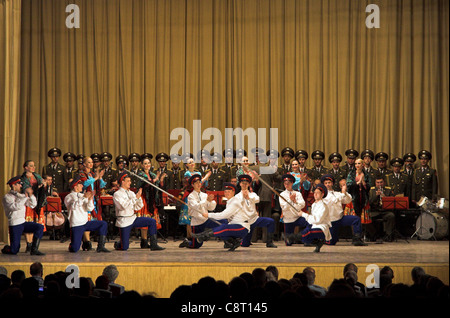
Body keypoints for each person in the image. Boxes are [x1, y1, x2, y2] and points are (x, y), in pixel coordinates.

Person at [113, 172, 164, 251]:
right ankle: (119, 244)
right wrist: (135, 198)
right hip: (124, 220)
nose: (130, 183)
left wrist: (139, 198)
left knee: (152, 221)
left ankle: (154, 244)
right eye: (128, 181)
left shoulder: (131, 193)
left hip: (133, 218)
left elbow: (138, 206)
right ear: (122, 182)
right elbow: (123, 206)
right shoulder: (117, 194)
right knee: (125, 248)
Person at [192, 183, 250, 251]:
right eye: (225, 191)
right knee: (220, 226)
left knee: (224, 228)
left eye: (229, 191)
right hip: (236, 225)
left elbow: (223, 215)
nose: (226, 193)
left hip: (242, 227)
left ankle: (203, 236)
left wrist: (208, 215)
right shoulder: (230, 201)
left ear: (233, 192)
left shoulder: (235, 202)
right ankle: (234, 242)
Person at [64, 176, 110, 253]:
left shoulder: (82, 195)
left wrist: (89, 199)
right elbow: (74, 207)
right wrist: (84, 198)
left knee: (103, 224)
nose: (82, 186)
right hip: (77, 224)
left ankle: (101, 246)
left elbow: (90, 208)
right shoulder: (69, 197)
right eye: (80, 184)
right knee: (75, 249)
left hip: (85, 222)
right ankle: (72, 245)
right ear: (75, 187)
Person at [1, 176, 45, 255]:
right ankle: (6, 248)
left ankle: (34, 249)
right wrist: (25, 197)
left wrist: (31, 195)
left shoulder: (20, 196)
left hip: (23, 222)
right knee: (14, 250)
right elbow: (14, 207)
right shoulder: (7, 197)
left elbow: (32, 205)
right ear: (14, 185)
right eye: (19, 184)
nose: (21, 186)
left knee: (39, 227)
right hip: (15, 224)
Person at [320, 174, 366, 246]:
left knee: (356, 219)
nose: (328, 184)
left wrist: (345, 193)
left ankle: (357, 239)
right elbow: (333, 201)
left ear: (332, 183)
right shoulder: (322, 195)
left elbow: (347, 200)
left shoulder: (337, 193)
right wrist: (343, 193)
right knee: (332, 242)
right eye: (325, 183)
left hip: (340, 218)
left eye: (329, 183)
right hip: (331, 221)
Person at [178, 174, 222, 248]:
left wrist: (211, 202)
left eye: (199, 182)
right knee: (196, 245)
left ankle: (228, 241)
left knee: (220, 224)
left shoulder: (204, 195)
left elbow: (210, 208)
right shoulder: (191, 196)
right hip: (197, 222)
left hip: (205, 219)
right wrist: (206, 201)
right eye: (196, 183)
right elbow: (196, 207)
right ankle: (187, 242)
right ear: (192, 185)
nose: (199, 184)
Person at [237, 174, 277, 248]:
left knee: (270, 221)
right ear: (240, 184)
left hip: (255, 219)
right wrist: (243, 198)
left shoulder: (253, 194)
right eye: (243, 183)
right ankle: (242, 240)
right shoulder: (237, 196)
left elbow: (257, 199)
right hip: (246, 222)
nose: (244, 185)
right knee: (245, 244)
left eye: (246, 183)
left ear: (249, 184)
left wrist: (248, 198)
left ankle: (269, 242)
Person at [78, 156, 107, 250]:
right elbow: (84, 184)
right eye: (89, 162)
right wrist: (95, 178)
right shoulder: (81, 174)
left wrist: (100, 177)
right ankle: (87, 242)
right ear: (84, 164)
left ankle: (97, 243)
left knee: (94, 219)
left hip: (94, 199)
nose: (91, 164)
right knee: (87, 219)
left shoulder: (93, 174)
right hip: (85, 199)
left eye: (91, 162)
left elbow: (102, 185)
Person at [20, 160, 48, 252]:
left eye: (34, 165)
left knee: (36, 222)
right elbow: (26, 189)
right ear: (26, 167)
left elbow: (42, 185)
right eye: (31, 166)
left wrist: (43, 184)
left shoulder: (37, 176)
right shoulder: (23, 178)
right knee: (29, 221)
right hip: (28, 202)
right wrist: (36, 187)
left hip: (38, 201)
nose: (33, 167)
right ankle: (29, 243)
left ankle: (34, 244)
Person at [298, 183, 331, 253]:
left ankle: (320, 240)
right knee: (305, 233)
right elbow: (312, 220)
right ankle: (317, 242)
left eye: (318, 193)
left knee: (307, 233)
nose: (315, 194)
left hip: (322, 228)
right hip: (314, 225)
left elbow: (317, 220)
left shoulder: (323, 206)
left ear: (322, 195)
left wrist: (304, 215)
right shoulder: (314, 205)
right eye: (314, 192)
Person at [278, 174, 307, 246]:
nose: (286, 185)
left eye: (288, 183)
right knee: (288, 243)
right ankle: (294, 238)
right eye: (285, 183)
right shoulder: (282, 194)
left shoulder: (298, 193)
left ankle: (303, 238)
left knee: (309, 222)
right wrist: (290, 200)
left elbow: (302, 204)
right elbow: (284, 207)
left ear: (292, 183)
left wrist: (295, 202)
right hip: (288, 219)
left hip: (297, 217)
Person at [368, 177, 396, 242]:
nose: (379, 184)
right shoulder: (371, 190)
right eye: (378, 182)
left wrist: (385, 197)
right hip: (375, 211)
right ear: (375, 183)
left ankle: (388, 235)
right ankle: (373, 235)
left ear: (384, 183)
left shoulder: (388, 190)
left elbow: (392, 201)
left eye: (381, 182)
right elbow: (369, 202)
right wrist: (376, 196)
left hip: (385, 211)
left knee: (391, 216)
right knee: (368, 217)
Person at [345, 158, 371, 224]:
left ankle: (363, 233)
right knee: (353, 219)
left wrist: (362, 181)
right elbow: (348, 185)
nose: (357, 165)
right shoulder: (351, 173)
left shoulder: (366, 174)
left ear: (363, 164)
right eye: (356, 163)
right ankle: (354, 233)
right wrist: (357, 183)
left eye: (359, 163)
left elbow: (369, 186)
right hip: (353, 198)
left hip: (363, 197)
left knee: (363, 219)